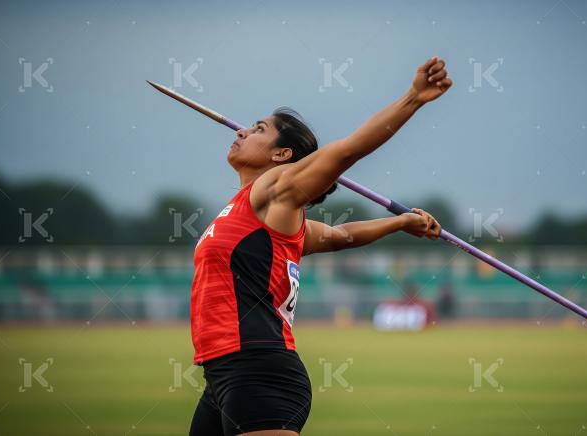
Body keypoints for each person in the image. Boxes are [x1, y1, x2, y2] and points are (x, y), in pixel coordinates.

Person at [189, 56, 452, 436]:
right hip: (222, 375)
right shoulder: (260, 215)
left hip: (259, 370)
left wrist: (413, 97)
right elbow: (340, 236)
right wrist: (398, 222)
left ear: (281, 156)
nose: (243, 132)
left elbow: (345, 152)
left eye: (258, 129)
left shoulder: (273, 192)